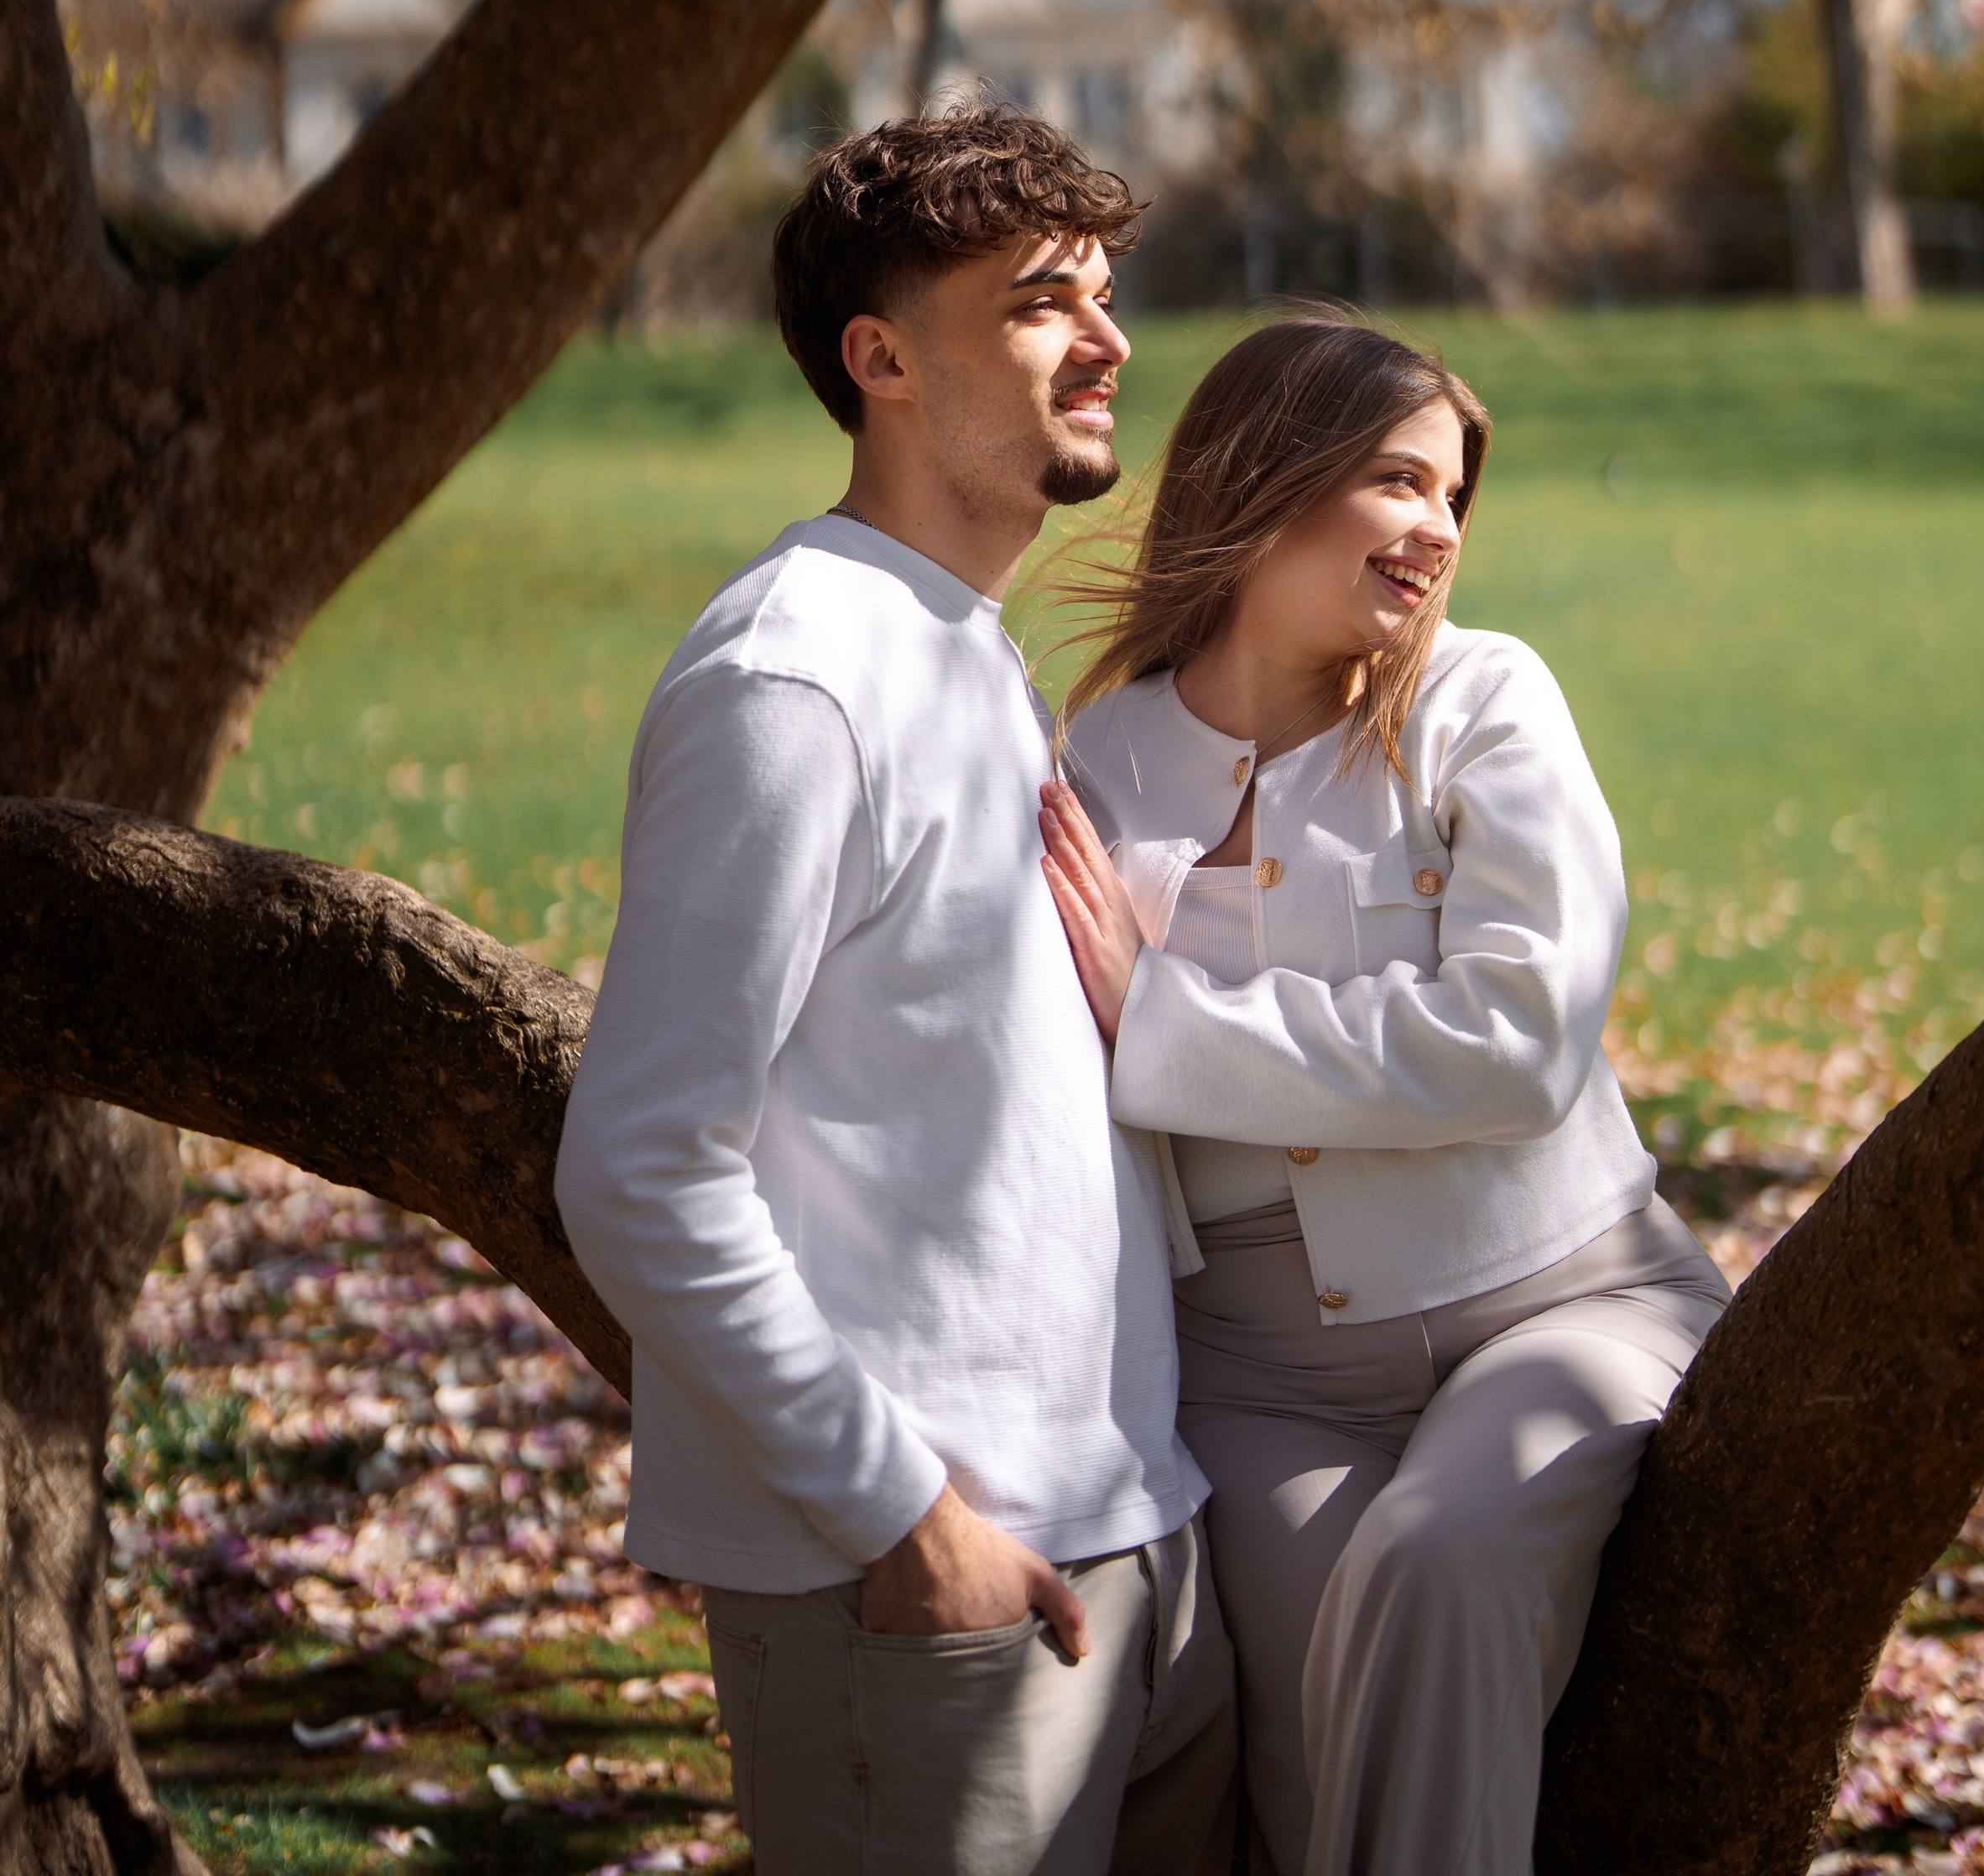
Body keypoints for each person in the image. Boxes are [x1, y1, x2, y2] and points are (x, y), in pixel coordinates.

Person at [556, 104, 1237, 1876]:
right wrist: (904, 1519)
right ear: (883, 362)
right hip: (929, 1596)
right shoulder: (794, 676)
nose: (1105, 342)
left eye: (1102, 294)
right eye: (1037, 304)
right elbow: (638, 1165)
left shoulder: (963, 651)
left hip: (1131, 1549)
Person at [1039, 309, 1730, 1876]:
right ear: (1267, 478)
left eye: (1454, 500)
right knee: (1307, 1774)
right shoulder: (1096, 761)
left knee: (1435, 1563)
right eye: (1403, 484)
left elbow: (1522, 1039)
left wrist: (1164, 1014)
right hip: (1256, 1376)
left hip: (1564, 1308)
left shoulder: (1487, 701)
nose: (1441, 533)